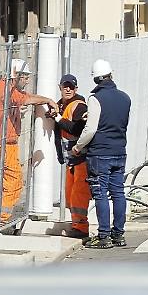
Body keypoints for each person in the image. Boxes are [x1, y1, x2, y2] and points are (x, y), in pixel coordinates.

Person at [0, 60, 59, 230]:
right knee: (14, 181)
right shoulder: (6, 89)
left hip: (3, 142)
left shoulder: (7, 89)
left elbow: (24, 98)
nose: (27, 81)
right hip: (3, 143)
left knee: (2, 181)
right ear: (16, 76)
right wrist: (48, 100)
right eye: (25, 77)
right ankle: (1, 221)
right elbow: (26, 99)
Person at [72, 59, 131, 249]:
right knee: (118, 193)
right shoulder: (125, 98)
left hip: (100, 153)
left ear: (96, 79)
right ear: (111, 75)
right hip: (119, 151)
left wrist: (78, 146)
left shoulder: (95, 98)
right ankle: (119, 234)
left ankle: (104, 236)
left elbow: (91, 129)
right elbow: (119, 122)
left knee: (101, 194)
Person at [47, 74, 90, 239]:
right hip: (70, 159)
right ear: (60, 87)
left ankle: (81, 227)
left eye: (71, 87)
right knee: (71, 194)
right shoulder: (61, 105)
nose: (68, 89)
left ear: (76, 89)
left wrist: (57, 118)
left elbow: (77, 130)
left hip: (80, 158)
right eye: (65, 86)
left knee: (78, 194)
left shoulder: (79, 106)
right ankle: (76, 224)